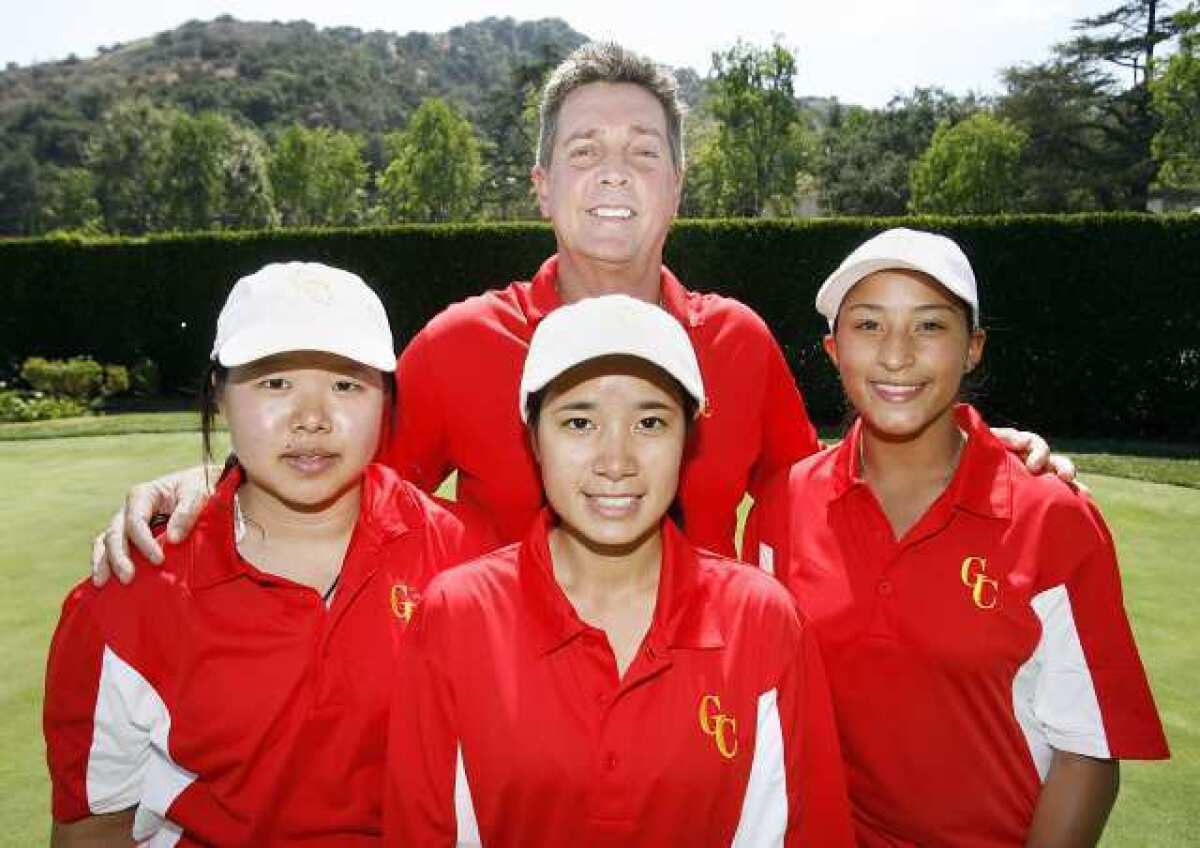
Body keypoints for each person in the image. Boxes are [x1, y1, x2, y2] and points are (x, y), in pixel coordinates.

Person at [90, 42, 1071, 582]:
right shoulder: (462, 341)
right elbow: (326, 471)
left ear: (678, 187)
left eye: (643, 149)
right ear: (541, 183)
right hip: (502, 713)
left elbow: (831, 495)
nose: (613, 170)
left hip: (704, 716)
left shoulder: (736, 342)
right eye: (586, 149)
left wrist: (983, 451)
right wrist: (205, 480)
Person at [744, 229, 1170, 847]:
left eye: (929, 326)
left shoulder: (1053, 516)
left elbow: (1088, 751)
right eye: (868, 325)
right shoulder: (783, 506)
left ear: (972, 348)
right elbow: (766, 721)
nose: (896, 354)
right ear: (834, 349)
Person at [44, 263, 496, 845]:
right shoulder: (129, 592)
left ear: (387, 400)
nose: (312, 418)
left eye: (346, 384)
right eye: (274, 382)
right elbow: (95, 828)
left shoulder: (471, 561)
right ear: (220, 397)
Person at [385, 294, 855, 846]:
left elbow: (807, 827)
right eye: (579, 422)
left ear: (688, 439)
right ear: (533, 437)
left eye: (650, 421)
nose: (616, 461)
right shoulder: (458, 615)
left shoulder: (761, 618)